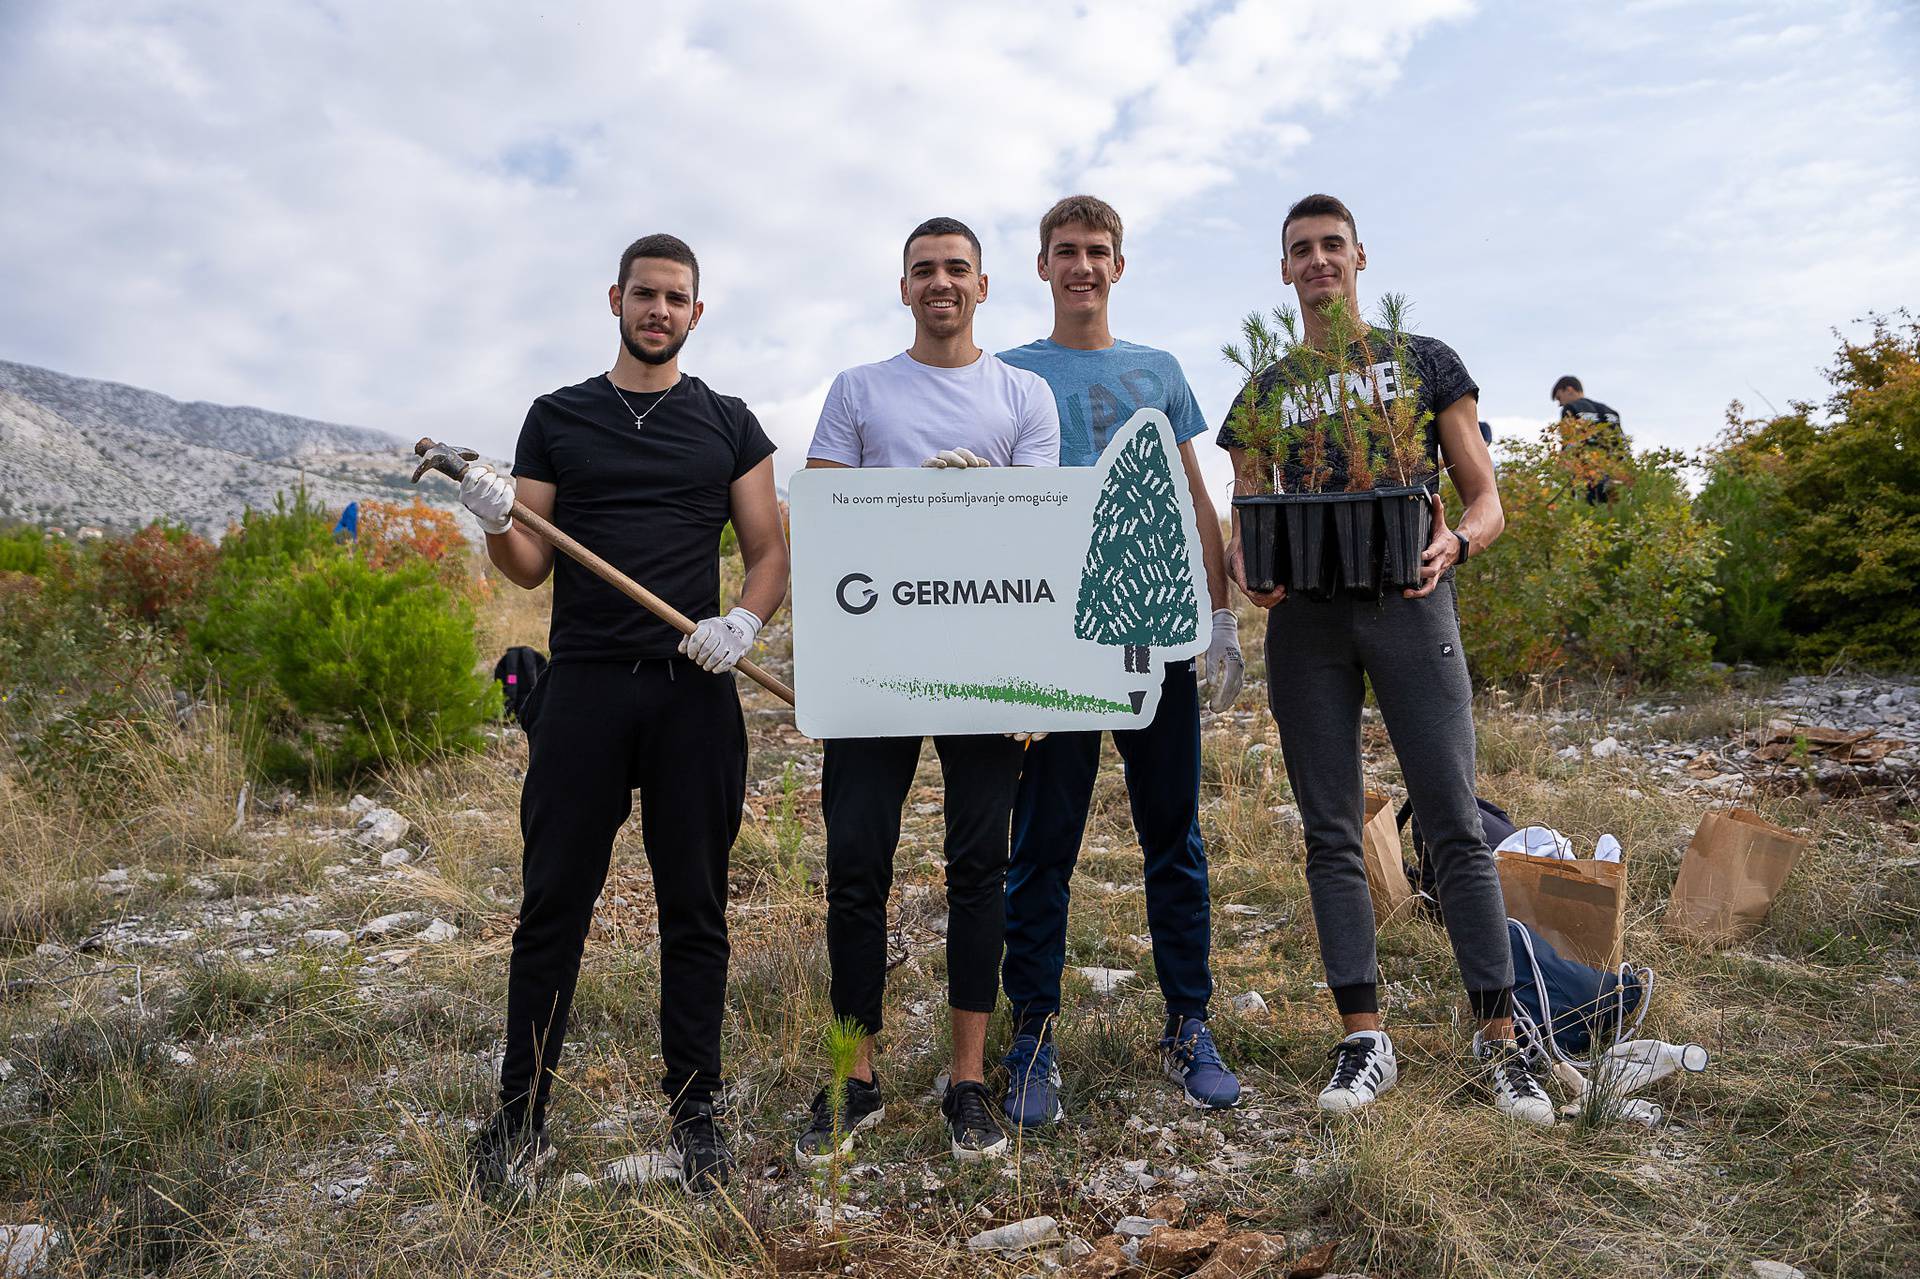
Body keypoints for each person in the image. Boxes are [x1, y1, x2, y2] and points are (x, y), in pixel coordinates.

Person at [458, 233, 790, 1196]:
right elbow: (528, 565)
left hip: (695, 685)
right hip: (587, 689)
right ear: (615, 299)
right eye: (644, 293)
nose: (659, 309)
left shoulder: (728, 422)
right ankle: (518, 1121)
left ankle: (697, 1118)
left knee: (696, 909)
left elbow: (769, 550)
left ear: (697, 311)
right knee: (552, 906)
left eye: (675, 298)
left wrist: (743, 620)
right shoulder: (558, 417)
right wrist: (494, 518)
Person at [1218, 194, 1553, 1125]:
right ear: (1282, 271)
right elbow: (1248, 514)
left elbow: (1484, 496)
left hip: (1411, 603)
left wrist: (1459, 546)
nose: (1319, 261)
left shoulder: (1423, 362)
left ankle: (1502, 1040)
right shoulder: (1265, 391)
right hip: (1309, 627)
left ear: (1360, 256)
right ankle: (1365, 1038)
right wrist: (1248, 567)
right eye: (1301, 250)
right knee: (1331, 830)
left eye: (1333, 245)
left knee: (1452, 822)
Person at [796, 216, 1060, 1164]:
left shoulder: (1023, 395)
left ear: (984, 286)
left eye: (957, 269)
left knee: (979, 868)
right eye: (923, 271)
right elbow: (827, 518)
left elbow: (1036, 529)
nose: (940, 282)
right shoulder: (858, 391)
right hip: (876, 660)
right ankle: (854, 1076)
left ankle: (969, 1078)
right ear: (901, 287)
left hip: (983, 661)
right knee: (857, 865)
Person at [994, 195, 1243, 1128]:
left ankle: (1188, 1023)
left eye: (1097, 251)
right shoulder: (1012, 371)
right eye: (1066, 252)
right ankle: (1033, 1034)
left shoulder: (1158, 370)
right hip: (1055, 639)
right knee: (1041, 842)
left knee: (1170, 832)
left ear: (1119, 265)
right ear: (1044, 266)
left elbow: (1191, 495)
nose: (1082, 266)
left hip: (1153, 631)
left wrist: (1217, 614)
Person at [1550, 375, 1629, 503]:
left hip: (1587, 478)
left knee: (1587, 517)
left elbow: (1570, 443)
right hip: (1615, 475)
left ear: (1569, 390)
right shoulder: (1611, 412)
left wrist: (1560, 470)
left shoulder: (1571, 409)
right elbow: (1622, 446)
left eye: (1559, 397)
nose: (1560, 403)